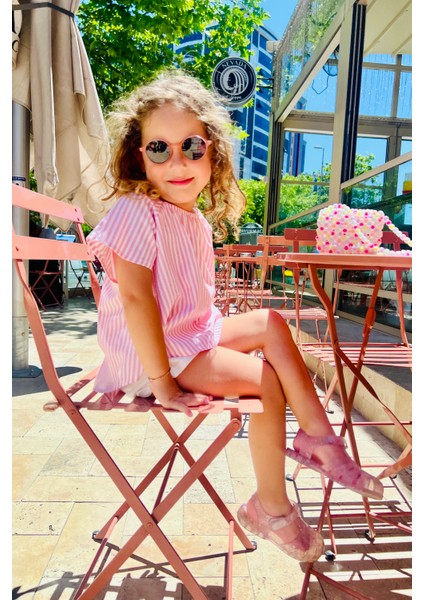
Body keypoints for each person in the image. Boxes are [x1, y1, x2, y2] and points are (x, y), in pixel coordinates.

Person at [87, 70, 383, 563]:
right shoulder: (137, 210)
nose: (177, 162)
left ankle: (319, 440)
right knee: (266, 383)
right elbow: (137, 300)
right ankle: (271, 508)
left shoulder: (192, 220)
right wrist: (163, 385)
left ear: (214, 153)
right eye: (159, 149)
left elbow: (188, 303)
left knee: (271, 322)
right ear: (140, 157)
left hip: (184, 338)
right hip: (151, 356)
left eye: (192, 147)